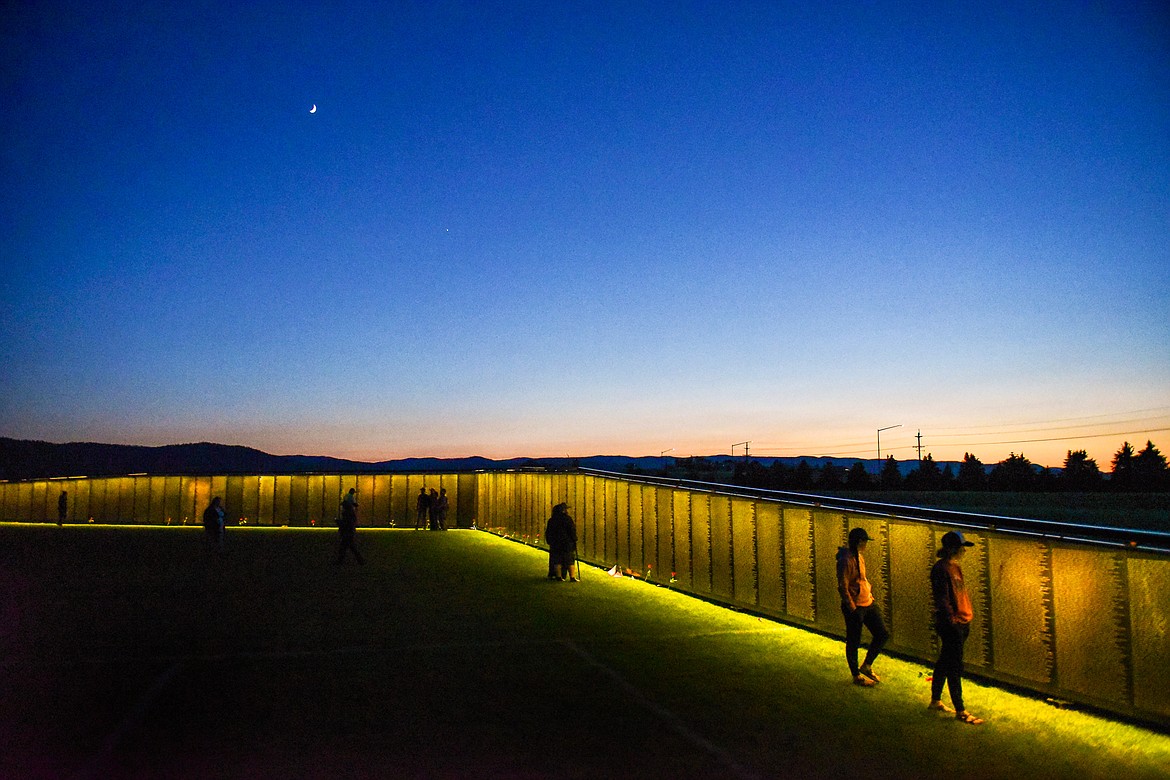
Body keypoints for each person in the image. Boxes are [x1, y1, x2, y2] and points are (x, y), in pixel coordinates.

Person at [929, 530, 984, 725]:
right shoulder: (941, 569)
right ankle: (960, 710)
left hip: (961, 621)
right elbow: (943, 598)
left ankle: (935, 700)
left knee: (945, 662)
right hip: (953, 625)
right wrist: (952, 621)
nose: (964, 551)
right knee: (954, 666)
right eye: (962, 547)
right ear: (952, 548)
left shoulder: (955, 568)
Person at [836, 527, 889, 687]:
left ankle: (866, 665)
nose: (866, 544)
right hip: (855, 606)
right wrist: (852, 607)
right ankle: (856, 675)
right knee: (853, 640)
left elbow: (862, 579)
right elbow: (843, 586)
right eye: (865, 541)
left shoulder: (859, 556)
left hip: (867, 602)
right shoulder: (845, 560)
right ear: (860, 541)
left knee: (882, 634)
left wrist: (869, 596)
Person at [544, 502, 578, 582]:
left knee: (557, 560)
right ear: (563, 510)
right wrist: (574, 539)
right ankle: (572, 577)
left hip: (556, 543)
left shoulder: (552, 520)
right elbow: (571, 530)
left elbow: (548, 532)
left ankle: (558, 577)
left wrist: (550, 541)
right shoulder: (567, 519)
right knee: (569, 560)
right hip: (567, 543)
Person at [336, 488, 364, 565]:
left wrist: (339, 523)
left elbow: (345, 523)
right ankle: (360, 560)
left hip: (346, 533)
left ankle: (340, 561)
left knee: (345, 547)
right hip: (349, 532)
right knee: (350, 547)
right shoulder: (350, 511)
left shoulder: (346, 512)